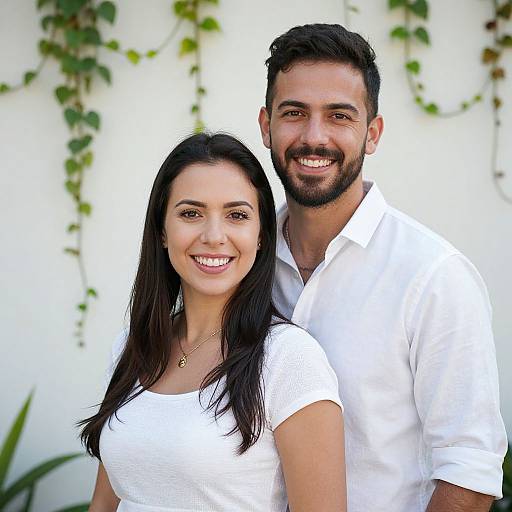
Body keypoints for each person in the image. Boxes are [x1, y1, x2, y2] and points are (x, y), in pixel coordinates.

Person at [258, 23, 507, 512]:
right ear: (266, 125)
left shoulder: (433, 276)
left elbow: (469, 476)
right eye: (294, 113)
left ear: (372, 134)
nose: (314, 137)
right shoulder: (242, 264)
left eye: (339, 116)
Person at [79, 133, 346, 512]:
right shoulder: (132, 346)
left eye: (237, 215)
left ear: (260, 236)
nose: (213, 236)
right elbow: (106, 503)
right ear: (162, 231)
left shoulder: (290, 359)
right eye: (191, 213)